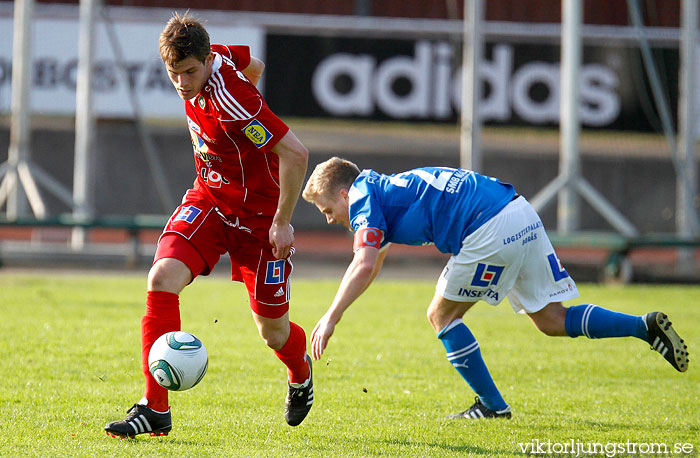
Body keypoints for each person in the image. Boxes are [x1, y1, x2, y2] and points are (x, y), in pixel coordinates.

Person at [301, 157, 689, 420]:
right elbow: (376, 260)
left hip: (487, 229)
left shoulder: (363, 199)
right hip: (518, 210)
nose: (332, 219)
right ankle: (645, 327)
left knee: (441, 315)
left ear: (341, 193)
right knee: (552, 319)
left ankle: (491, 407)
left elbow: (365, 261)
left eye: (326, 210)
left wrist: (331, 317)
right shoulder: (385, 187)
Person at [105, 13, 313, 438]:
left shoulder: (234, 101)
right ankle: (155, 408)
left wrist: (283, 222)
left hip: (259, 220)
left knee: (273, 333)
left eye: (189, 73)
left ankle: (300, 371)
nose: (181, 83)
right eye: (173, 73)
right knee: (161, 276)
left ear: (205, 62)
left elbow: (296, 153)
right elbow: (255, 65)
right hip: (211, 200)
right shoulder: (212, 56)